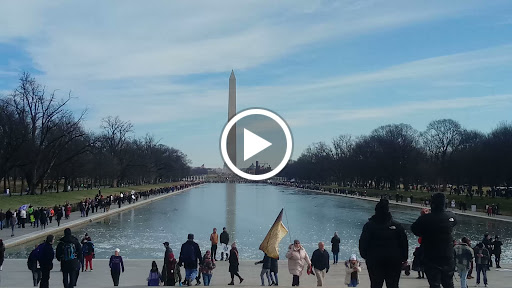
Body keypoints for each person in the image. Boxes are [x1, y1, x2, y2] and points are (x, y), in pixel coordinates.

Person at [411, 193, 457, 288]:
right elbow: (453, 222)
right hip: (447, 255)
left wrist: (423, 216)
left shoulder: (425, 219)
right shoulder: (450, 216)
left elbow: (415, 230)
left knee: (434, 284)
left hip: (431, 255)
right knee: (448, 283)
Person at [359, 199, 408, 288]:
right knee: (393, 285)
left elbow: (363, 243)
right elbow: (404, 243)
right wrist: (404, 258)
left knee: (375, 285)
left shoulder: (369, 226)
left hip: (374, 260)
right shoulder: (397, 226)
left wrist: (366, 256)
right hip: (394, 260)